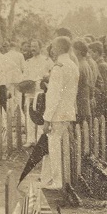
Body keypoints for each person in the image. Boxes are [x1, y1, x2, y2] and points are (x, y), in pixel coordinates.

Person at [40, 36, 79, 191]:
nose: (52, 49)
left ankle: (56, 181)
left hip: (57, 113)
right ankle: (52, 178)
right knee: (59, 146)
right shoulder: (72, 65)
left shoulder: (59, 67)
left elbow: (54, 96)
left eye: (54, 47)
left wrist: (46, 119)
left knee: (54, 147)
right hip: (68, 111)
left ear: (59, 48)